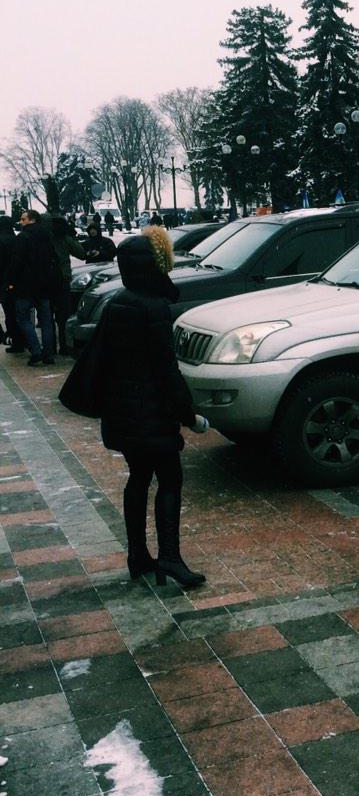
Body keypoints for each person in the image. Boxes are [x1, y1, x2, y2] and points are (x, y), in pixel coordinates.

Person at [99, 227, 207, 586]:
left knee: (138, 478)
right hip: (153, 413)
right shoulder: (155, 307)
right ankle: (171, 558)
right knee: (171, 479)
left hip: (124, 412)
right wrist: (188, 415)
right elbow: (167, 370)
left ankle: (138, 555)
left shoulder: (117, 302)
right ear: (155, 267)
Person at [6, 209, 60, 365]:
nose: (21, 222)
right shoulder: (47, 237)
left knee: (23, 319)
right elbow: (52, 259)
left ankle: (35, 351)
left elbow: (16, 261)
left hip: (25, 286)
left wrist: (11, 281)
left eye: (23, 219)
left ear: (32, 220)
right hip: (44, 285)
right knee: (46, 321)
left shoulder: (22, 237)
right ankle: (48, 354)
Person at [49, 215, 87, 355]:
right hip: (63, 279)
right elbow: (82, 254)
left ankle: (50, 346)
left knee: (47, 315)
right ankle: (64, 345)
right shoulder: (65, 239)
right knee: (63, 314)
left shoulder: (44, 239)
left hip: (46, 280)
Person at [0, 215, 24, 352]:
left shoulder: (1, 241)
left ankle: (15, 341)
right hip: (18, 281)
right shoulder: (17, 239)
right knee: (19, 312)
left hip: (4, 281)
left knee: (9, 313)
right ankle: (22, 339)